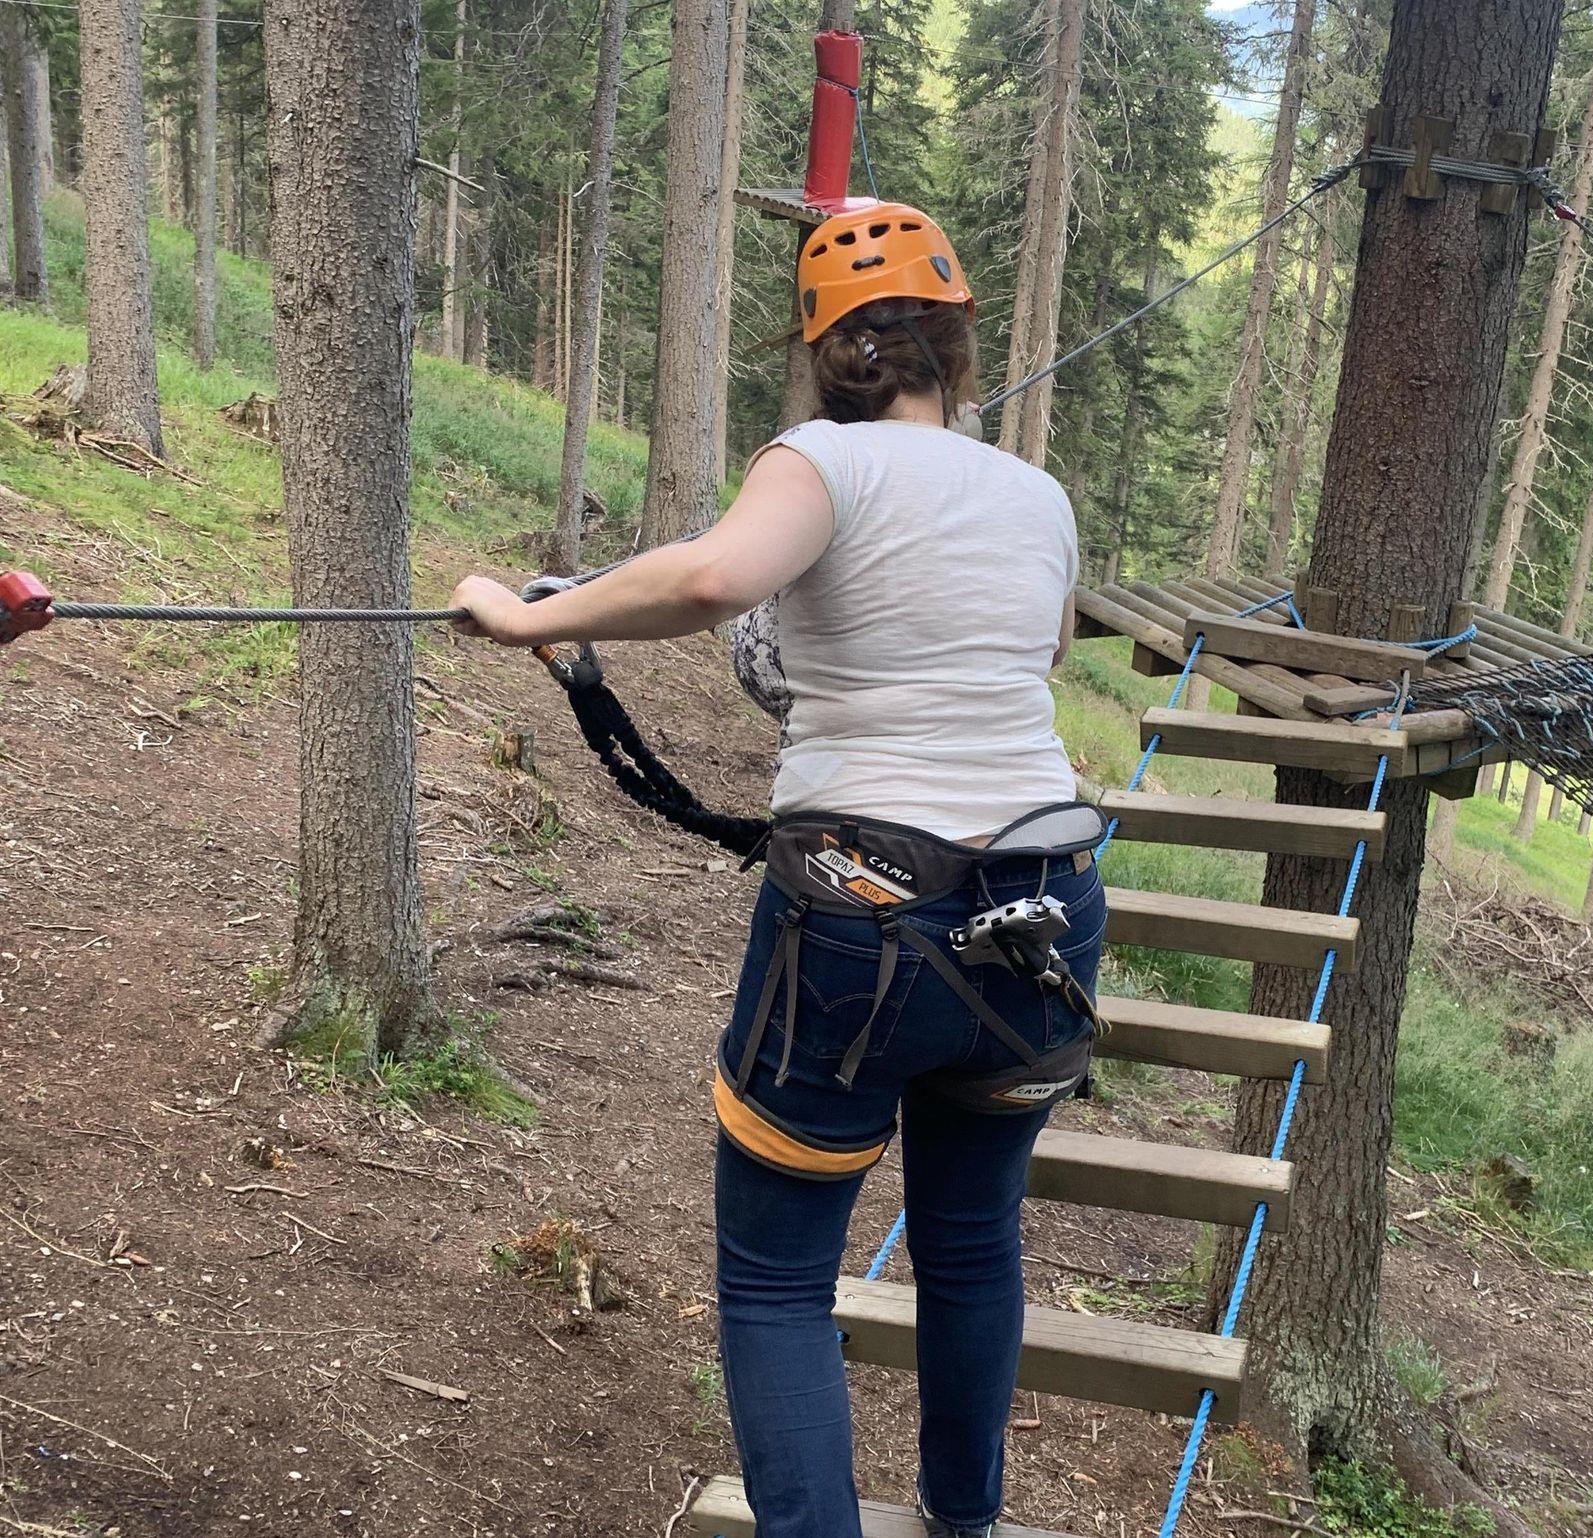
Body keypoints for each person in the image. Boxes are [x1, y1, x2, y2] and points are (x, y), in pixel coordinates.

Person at [449, 203, 1105, 1538]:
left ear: (821, 357)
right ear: (957, 347)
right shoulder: (1038, 496)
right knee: (973, 1240)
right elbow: (1032, 657)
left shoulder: (817, 462)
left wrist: (524, 617)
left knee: (776, 1279)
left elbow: (713, 580)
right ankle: (965, 1518)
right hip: (1044, 907)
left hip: (866, 913)